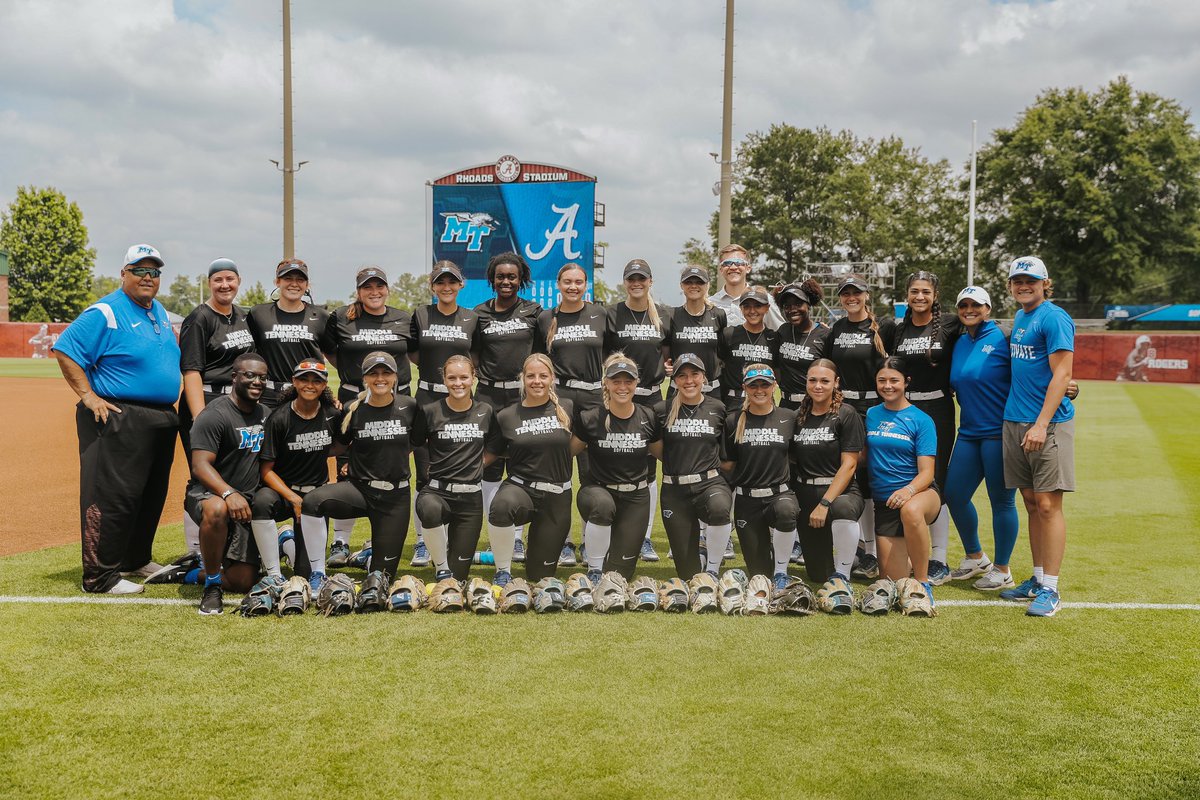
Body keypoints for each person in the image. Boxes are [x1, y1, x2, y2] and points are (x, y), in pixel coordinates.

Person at [52, 243, 181, 595]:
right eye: (139, 270)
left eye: (153, 271)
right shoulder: (106, 311)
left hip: (159, 418)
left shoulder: (159, 311)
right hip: (118, 414)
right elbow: (65, 349)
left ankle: (134, 559)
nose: (147, 277)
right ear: (123, 274)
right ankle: (100, 575)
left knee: (148, 495)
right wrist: (88, 395)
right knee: (113, 496)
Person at [148, 257, 255, 583]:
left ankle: (228, 546)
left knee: (233, 472)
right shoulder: (199, 318)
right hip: (207, 401)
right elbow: (192, 371)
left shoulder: (242, 317)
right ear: (210, 283)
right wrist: (199, 418)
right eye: (218, 279)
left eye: (230, 279)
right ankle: (196, 552)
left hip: (237, 404)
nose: (225, 285)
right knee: (204, 477)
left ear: (238, 281)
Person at [999, 256, 1075, 618]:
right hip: (1015, 420)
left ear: (1045, 283)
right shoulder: (1020, 317)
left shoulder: (1054, 317)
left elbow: (1063, 374)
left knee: (1047, 505)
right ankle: (1038, 577)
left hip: (1047, 424)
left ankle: (1051, 589)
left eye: (1030, 280)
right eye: (1017, 281)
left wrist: (1042, 424)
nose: (1023, 286)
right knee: (1030, 502)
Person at [323, 266, 414, 566]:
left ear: (387, 289)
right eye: (367, 287)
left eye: (379, 286)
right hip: (355, 398)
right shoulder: (342, 317)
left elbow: (413, 352)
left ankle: (379, 540)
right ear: (358, 291)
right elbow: (330, 351)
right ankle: (340, 541)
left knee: (388, 465)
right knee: (347, 468)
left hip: (395, 400)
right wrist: (351, 374)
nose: (374, 291)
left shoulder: (403, 318)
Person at [302, 352, 418, 583]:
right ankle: (317, 572)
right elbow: (338, 446)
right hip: (360, 491)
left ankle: (364, 558)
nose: (380, 378)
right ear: (365, 378)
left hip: (395, 498)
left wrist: (389, 457)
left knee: (382, 578)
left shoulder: (410, 406)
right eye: (373, 373)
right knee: (312, 501)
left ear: (395, 376)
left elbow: (417, 441)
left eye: (386, 373)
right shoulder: (352, 409)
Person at [944, 286, 1019, 591]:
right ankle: (976, 557)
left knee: (1001, 501)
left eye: (976, 305)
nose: (969, 310)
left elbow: (1031, 371)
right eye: (963, 305)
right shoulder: (960, 341)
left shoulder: (1004, 337)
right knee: (954, 494)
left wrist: (1068, 385)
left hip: (999, 433)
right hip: (969, 432)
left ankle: (1002, 569)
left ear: (988, 309)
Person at [890, 271, 962, 585]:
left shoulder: (950, 324)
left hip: (937, 409)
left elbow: (988, 337)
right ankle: (908, 553)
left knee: (936, 482)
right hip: (904, 410)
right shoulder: (897, 329)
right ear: (907, 294)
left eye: (925, 292)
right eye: (914, 291)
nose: (919, 297)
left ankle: (939, 559)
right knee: (906, 478)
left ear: (935, 295)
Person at [187, 353, 271, 614]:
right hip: (209, 493)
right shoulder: (214, 414)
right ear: (234, 377)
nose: (257, 381)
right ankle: (212, 585)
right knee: (217, 509)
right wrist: (228, 493)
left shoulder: (265, 415)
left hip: (246, 501)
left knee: (242, 582)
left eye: (262, 377)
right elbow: (200, 465)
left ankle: (191, 573)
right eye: (250, 375)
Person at [409, 260, 480, 567]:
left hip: (461, 398)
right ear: (432, 286)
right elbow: (414, 351)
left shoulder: (471, 317)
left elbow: (474, 356)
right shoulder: (421, 314)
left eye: (452, 281)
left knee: (455, 468)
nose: (446, 287)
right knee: (424, 472)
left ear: (460, 285)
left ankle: (450, 537)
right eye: (440, 282)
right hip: (427, 396)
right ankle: (422, 541)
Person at [533, 262, 605, 566]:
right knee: (558, 471)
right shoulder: (546, 317)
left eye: (578, 282)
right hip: (560, 397)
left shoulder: (600, 314)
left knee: (591, 472)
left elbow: (614, 354)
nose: (573, 287)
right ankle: (562, 541)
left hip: (593, 396)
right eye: (567, 282)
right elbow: (538, 359)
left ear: (586, 284)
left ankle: (590, 541)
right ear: (558, 284)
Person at [826, 273, 895, 579]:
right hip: (843, 407)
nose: (851, 297)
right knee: (848, 472)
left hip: (872, 406)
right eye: (846, 293)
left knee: (869, 474)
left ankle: (873, 551)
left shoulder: (884, 327)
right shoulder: (837, 328)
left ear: (867, 295)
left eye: (856, 292)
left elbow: (894, 367)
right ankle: (857, 546)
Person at [485, 354, 576, 585]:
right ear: (522, 379)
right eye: (531, 376)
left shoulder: (567, 407)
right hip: (521, 489)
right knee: (501, 506)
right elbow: (492, 453)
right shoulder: (506, 416)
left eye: (543, 376)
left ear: (552, 378)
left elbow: (581, 443)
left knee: (539, 576)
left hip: (557, 496)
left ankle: (534, 548)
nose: (537, 381)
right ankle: (503, 570)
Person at [475, 252, 542, 563]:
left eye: (512, 277)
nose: (506, 281)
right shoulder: (479, 314)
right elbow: (473, 354)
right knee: (489, 466)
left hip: (521, 397)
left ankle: (515, 537)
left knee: (519, 464)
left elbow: (541, 353)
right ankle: (496, 534)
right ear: (492, 279)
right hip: (488, 396)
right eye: (500, 276)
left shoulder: (533, 312)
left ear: (521, 279)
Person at [251, 359, 341, 592]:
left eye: (316, 381)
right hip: (284, 493)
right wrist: (293, 499)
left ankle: (286, 543)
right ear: (294, 382)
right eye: (304, 379)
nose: (309, 385)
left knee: (306, 573)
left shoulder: (332, 415)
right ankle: (274, 573)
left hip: (315, 498)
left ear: (324, 385)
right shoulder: (279, 418)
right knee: (261, 501)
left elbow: (342, 445)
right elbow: (266, 470)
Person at [572, 354, 663, 582]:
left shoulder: (648, 417)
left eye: (628, 381)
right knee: (602, 506)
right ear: (606, 383)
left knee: (619, 575)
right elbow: (565, 453)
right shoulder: (591, 418)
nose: (622, 387)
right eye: (616, 381)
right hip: (598, 491)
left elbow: (664, 456)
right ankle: (594, 569)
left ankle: (609, 557)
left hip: (636, 498)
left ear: (637, 383)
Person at [604, 259, 671, 562]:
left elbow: (668, 354)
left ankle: (644, 537)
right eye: (631, 278)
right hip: (620, 396)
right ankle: (610, 531)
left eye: (641, 278)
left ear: (650, 281)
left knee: (649, 467)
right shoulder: (612, 314)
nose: (636, 283)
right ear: (625, 282)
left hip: (652, 397)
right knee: (616, 458)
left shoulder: (664, 315)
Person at [864, 357, 941, 613]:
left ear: (906, 382)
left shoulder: (922, 420)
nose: (888, 386)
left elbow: (927, 473)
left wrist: (908, 491)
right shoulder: (871, 415)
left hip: (920, 493)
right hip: (886, 503)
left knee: (911, 510)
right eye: (882, 380)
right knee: (893, 584)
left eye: (894, 380)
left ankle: (923, 581)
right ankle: (907, 559)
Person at [414, 355, 499, 583]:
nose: (458, 383)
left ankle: (459, 560)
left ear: (473, 378)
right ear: (444, 379)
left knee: (459, 576)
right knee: (430, 510)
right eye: (452, 378)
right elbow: (415, 443)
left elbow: (495, 447)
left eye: (463, 377)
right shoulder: (430, 411)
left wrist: (475, 464)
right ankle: (441, 567)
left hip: (470, 498)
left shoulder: (486, 411)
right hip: (437, 492)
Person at [655, 353, 734, 580]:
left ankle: (713, 570)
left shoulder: (717, 408)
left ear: (704, 377)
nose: (689, 380)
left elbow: (725, 455)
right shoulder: (662, 409)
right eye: (682, 375)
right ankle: (698, 557)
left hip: (709, 484)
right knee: (687, 574)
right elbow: (657, 449)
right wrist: (679, 462)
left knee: (719, 507)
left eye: (695, 374)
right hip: (674, 488)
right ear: (675, 380)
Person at [790, 359, 866, 594]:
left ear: (836, 383)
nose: (818, 386)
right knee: (818, 574)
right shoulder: (798, 416)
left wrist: (824, 503)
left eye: (825, 381)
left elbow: (850, 465)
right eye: (812, 380)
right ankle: (852, 558)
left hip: (840, 492)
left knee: (843, 508)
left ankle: (843, 574)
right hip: (806, 493)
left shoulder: (846, 414)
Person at [721, 364, 799, 587]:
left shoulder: (789, 417)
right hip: (747, 499)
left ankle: (782, 571)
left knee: (786, 511)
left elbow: (797, 456)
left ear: (774, 386)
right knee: (759, 574)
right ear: (744, 388)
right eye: (753, 385)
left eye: (765, 384)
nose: (759, 390)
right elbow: (728, 463)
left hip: (779, 495)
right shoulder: (733, 421)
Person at [246, 258, 333, 408]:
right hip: (269, 395)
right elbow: (248, 355)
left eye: (300, 279)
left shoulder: (321, 316)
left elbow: (333, 354)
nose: (294, 284)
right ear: (277, 282)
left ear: (307, 285)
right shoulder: (258, 313)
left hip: (309, 393)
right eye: (288, 278)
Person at [667, 265, 727, 399]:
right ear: (681, 285)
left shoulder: (718, 315)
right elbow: (665, 351)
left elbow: (722, 353)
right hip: (680, 389)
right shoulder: (671, 315)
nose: (694, 286)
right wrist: (665, 365)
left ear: (707, 285)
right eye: (688, 282)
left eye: (699, 282)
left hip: (711, 390)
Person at [718, 287, 780, 413]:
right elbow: (720, 366)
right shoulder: (729, 334)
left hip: (764, 400)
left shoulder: (774, 338)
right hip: (734, 402)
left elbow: (778, 371)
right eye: (747, 306)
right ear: (741, 309)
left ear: (767, 308)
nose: (752, 311)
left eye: (758, 306)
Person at [773, 279, 829, 410]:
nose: (792, 310)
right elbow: (776, 366)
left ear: (808, 305)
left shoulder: (825, 335)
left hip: (813, 405)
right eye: (787, 306)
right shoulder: (783, 331)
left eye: (798, 304)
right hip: (785, 404)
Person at [708, 243, 784, 329]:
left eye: (738, 262)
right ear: (721, 270)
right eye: (727, 263)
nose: (733, 267)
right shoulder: (710, 304)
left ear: (748, 268)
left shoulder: (765, 299)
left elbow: (780, 332)